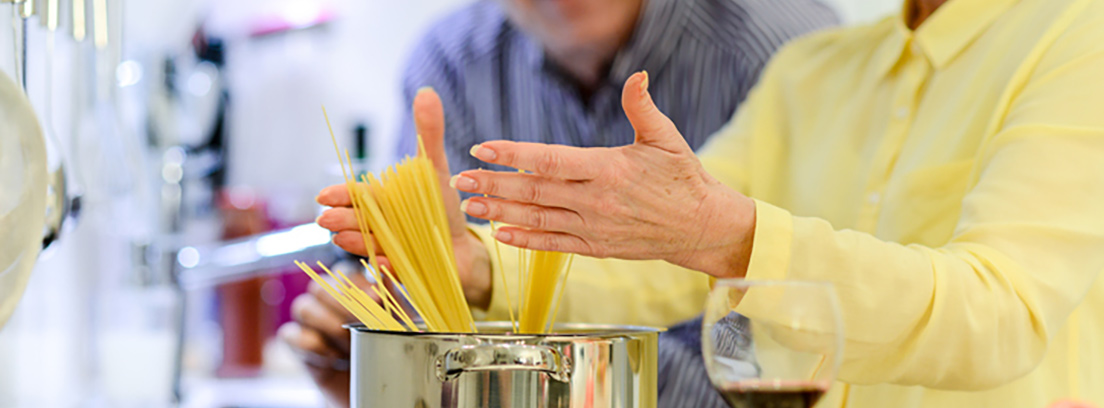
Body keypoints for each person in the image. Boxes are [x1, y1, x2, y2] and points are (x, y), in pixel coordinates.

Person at [436, 0, 1104, 406]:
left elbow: (999, 311)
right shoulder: (810, 70)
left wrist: (725, 236)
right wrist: (480, 268)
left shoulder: (1081, 36)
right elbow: (660, 251)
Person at [282, 0, 837, 406]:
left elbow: (802, 306)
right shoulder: (451, 63)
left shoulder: (790, 54)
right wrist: (373, 345)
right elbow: (427, 316)